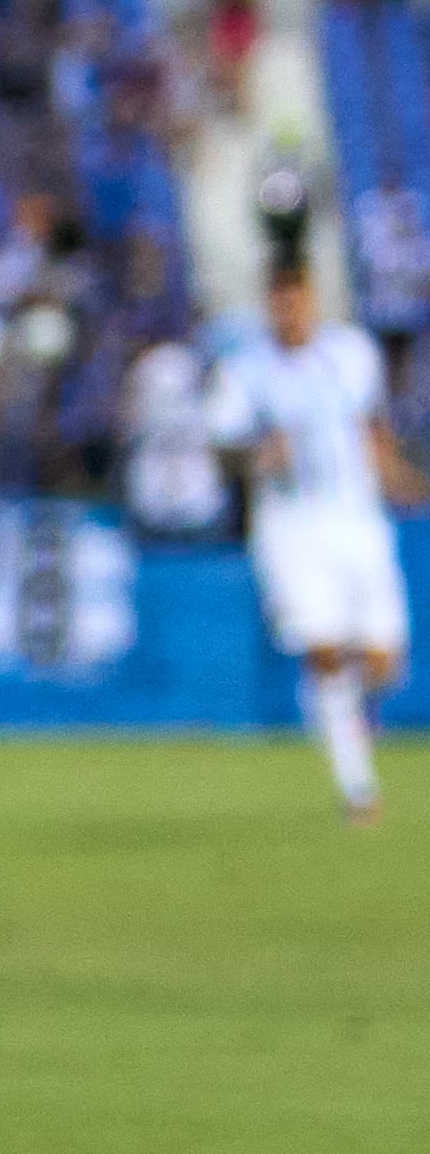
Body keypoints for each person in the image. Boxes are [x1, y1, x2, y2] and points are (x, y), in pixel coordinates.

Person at [210, 261, 418, 822]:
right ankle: (358, 788)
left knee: (382, 660)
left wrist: (404, 482)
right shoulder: (246, 369)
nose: (290, 310)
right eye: (279, 300)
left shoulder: (351, 356)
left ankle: (347, 709)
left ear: (313, 299)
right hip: (291, 526)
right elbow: (222, 451)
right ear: (268, 305)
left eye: (297, 298)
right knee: (325, 650)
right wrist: (259, 454)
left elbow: (373, 431)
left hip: (358, 519)